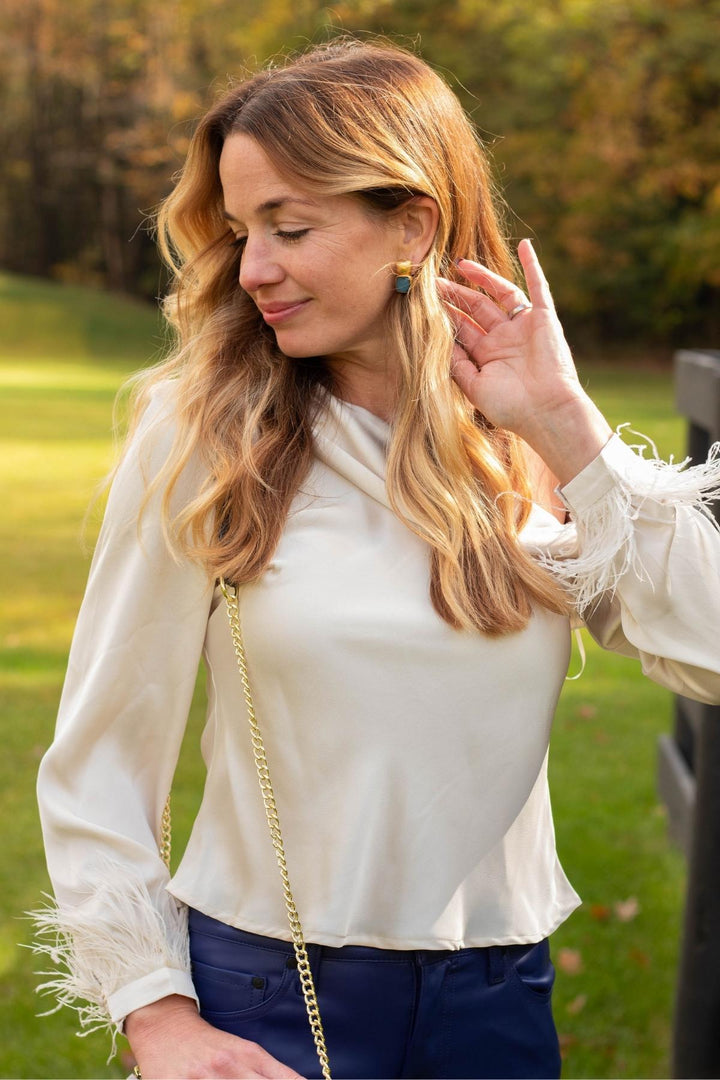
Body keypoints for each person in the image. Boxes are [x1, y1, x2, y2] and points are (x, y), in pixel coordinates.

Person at [33, 36, 720, 1080]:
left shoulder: (521, 443)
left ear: (413, 226)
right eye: (242, 232)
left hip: (499, 1004)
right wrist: (156, 1015)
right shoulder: (204, 437)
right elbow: (99, 759)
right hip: (266, 996)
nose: (253, 269)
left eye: (290, 227)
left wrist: (568, 429)